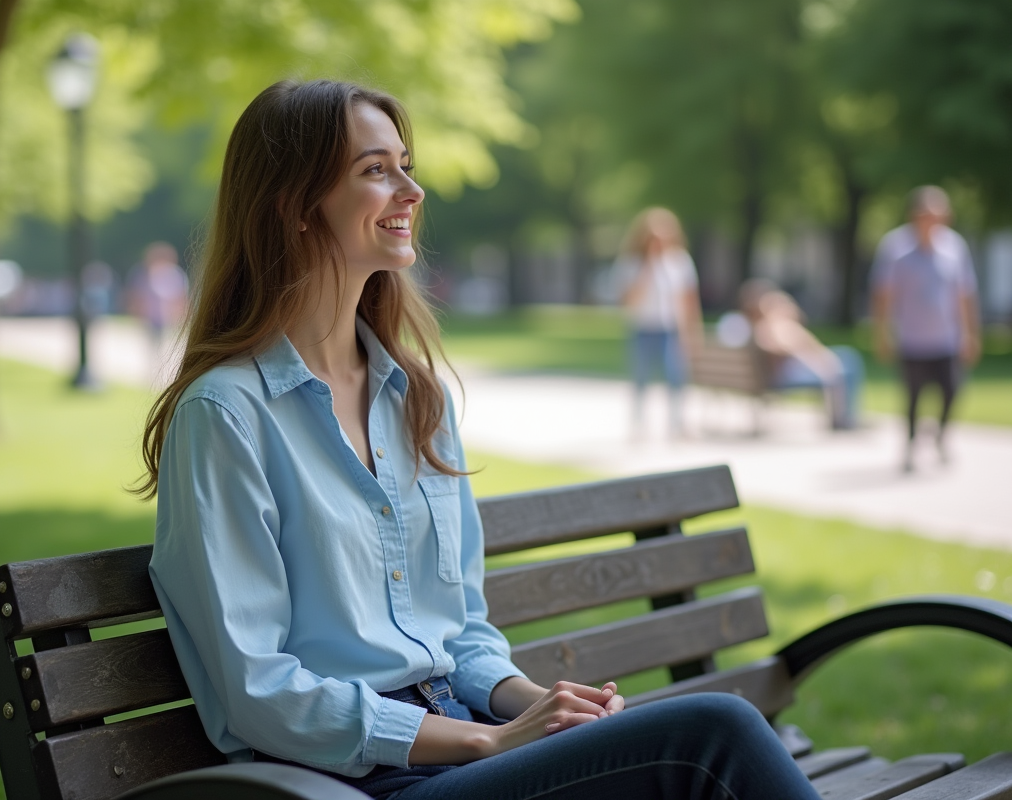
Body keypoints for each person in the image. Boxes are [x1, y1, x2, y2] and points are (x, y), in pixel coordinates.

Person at [139, 79, 820, 800]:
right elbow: (262, 691)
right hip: (347, 784)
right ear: (293, 206)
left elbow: (457, 630)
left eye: (406, 163)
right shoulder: (226, 416)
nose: (412, 189)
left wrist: (537, 706)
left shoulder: (415, 399)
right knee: (715, 737)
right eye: (376, 170)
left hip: (464, 754)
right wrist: (486, 741)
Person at [871, 186, 982, 471]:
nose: (933, 221)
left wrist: (970, 333)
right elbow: (883, 294)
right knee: (913, 397)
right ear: (914, 215)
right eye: (927, 214)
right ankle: (909, 446)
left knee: (951, 391)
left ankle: (941, 437)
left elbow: (965, 294)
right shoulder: (895, 247)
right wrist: (882, 333)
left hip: (946, 337)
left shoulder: (954, 246)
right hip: (912, 338)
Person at [611, 207, 703, 437]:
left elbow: (689, 302)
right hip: (643, 327)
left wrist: (693, 332)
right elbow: (628, 301)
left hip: (670, 328)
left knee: (675, 376)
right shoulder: (631, 263)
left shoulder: (679, 261)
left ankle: (677, 423)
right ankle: (639, 423)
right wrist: (648, 267)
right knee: (641, 377)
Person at [738, 280, 865, 431]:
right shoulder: (775, 327)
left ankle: (844, 416)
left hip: (779, 373)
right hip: (785, 376)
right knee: (847, 363)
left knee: (846, 357)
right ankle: (844, 417)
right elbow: (789, 349)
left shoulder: (759, 327)